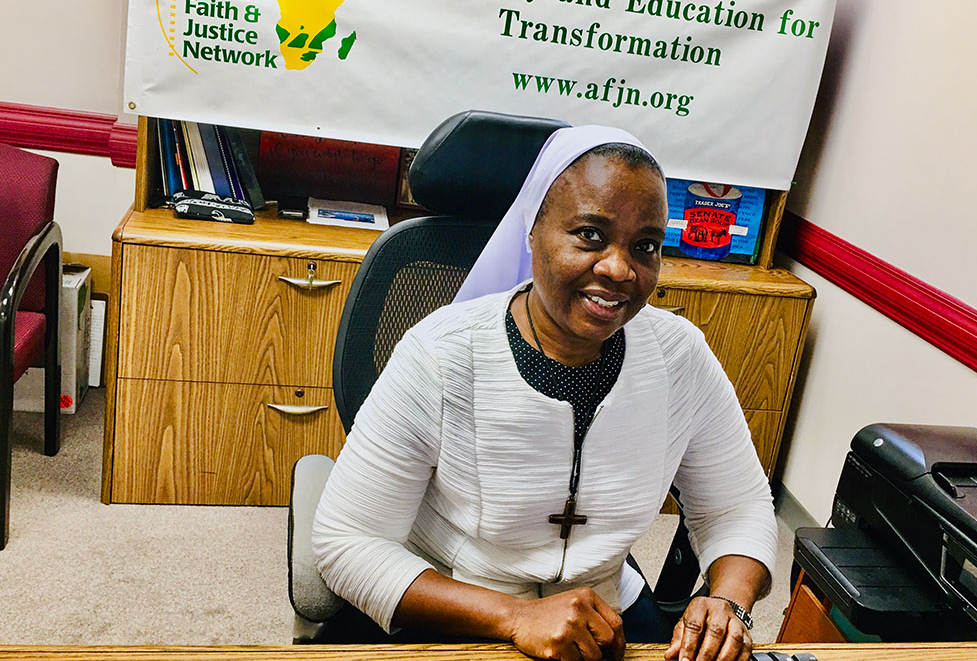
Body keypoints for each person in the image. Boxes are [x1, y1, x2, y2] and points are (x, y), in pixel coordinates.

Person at [312, 125, 777, 661]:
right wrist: (515, 616)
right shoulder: (440, 353)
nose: (619, 269)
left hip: (606, 613)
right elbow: (347, 543)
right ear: (532, 231)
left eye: (645, 246)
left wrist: (729, 602)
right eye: (590, 235)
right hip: (450, 606)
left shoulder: (680, 357)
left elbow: (737, 506)